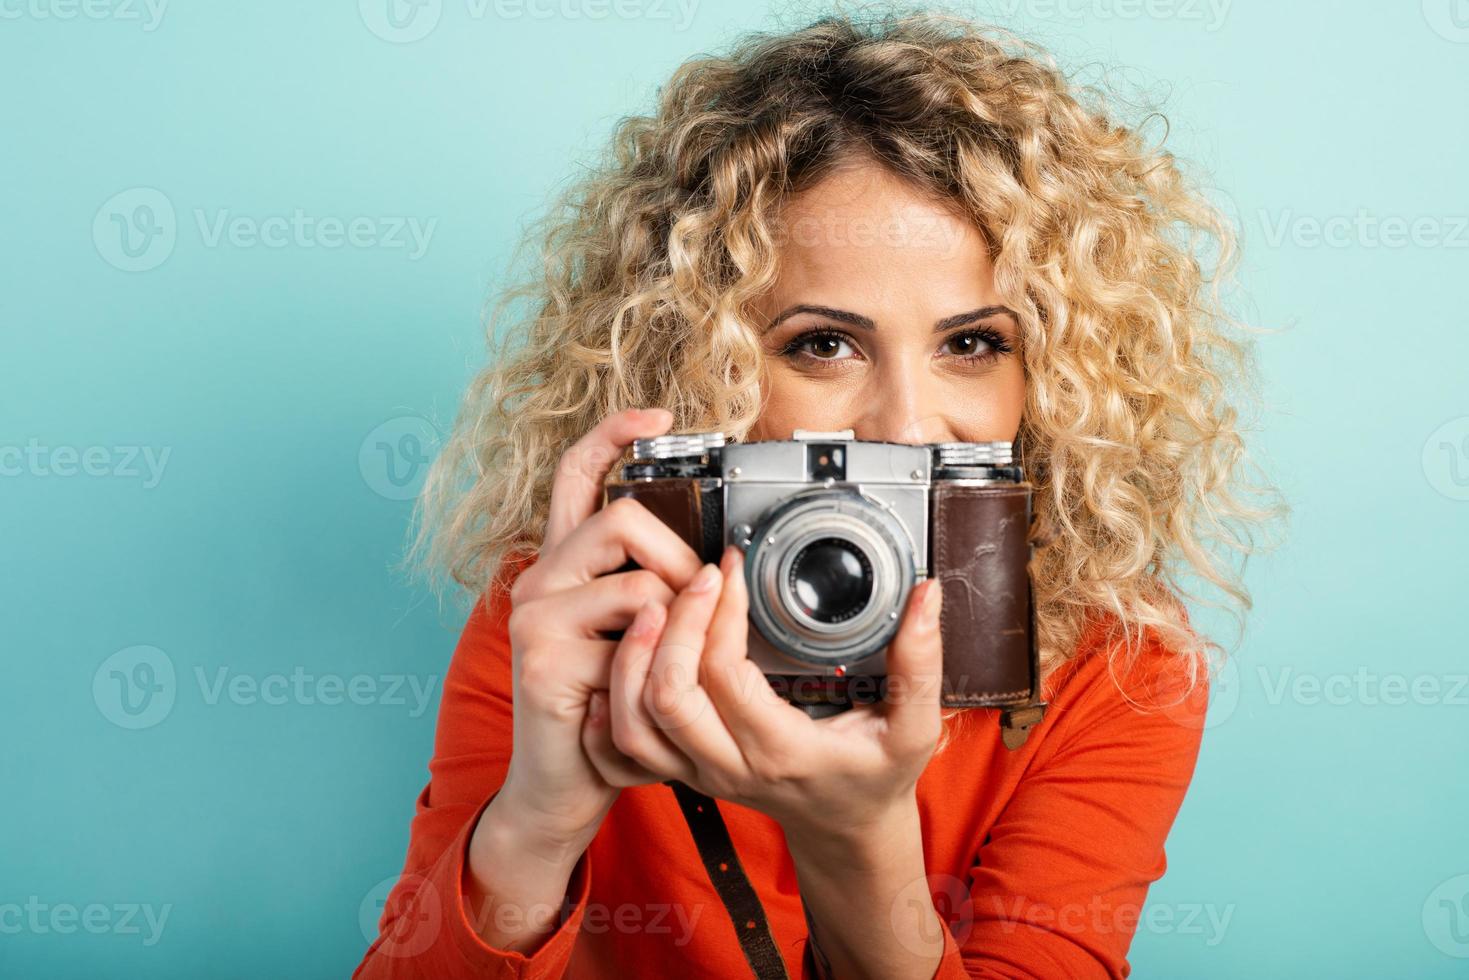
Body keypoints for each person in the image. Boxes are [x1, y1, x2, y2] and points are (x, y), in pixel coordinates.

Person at [356, 11, 1273, 978]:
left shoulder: (1117, 662)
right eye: (822, 345)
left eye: (972, 344)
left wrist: (857, 839)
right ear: (700, 364)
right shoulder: (570, 614)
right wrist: (536, 824)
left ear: (1045, 374)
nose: (907, 425)